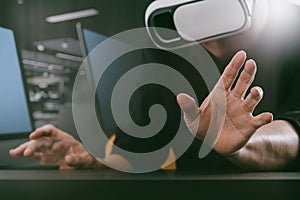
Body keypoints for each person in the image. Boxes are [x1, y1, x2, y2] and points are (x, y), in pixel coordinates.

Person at [10, 0, 300, 171]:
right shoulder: (168, 48)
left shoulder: (292, 32)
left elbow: (294, 134)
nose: (208, 40)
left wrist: (244, 143)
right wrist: (95, 159)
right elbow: (153, 150)